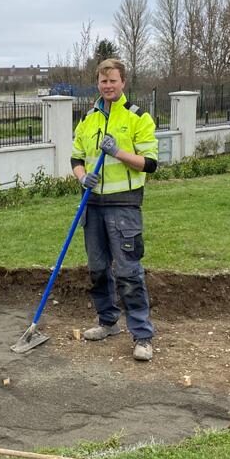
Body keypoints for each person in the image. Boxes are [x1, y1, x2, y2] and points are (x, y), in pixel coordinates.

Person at [71, 58, 158, 361]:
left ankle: (143, 336)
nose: (108, 86)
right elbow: (76, 158)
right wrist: (83, 178)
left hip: (124, 206)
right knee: (97, 269)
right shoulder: (88, 119)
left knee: (128, 271)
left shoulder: (138, 118)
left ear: (123, 82)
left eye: (113, 80)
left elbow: (150, 163)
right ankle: (107, 321)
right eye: (103, 81)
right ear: (98, 83)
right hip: (92, 204)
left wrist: (118, 152)